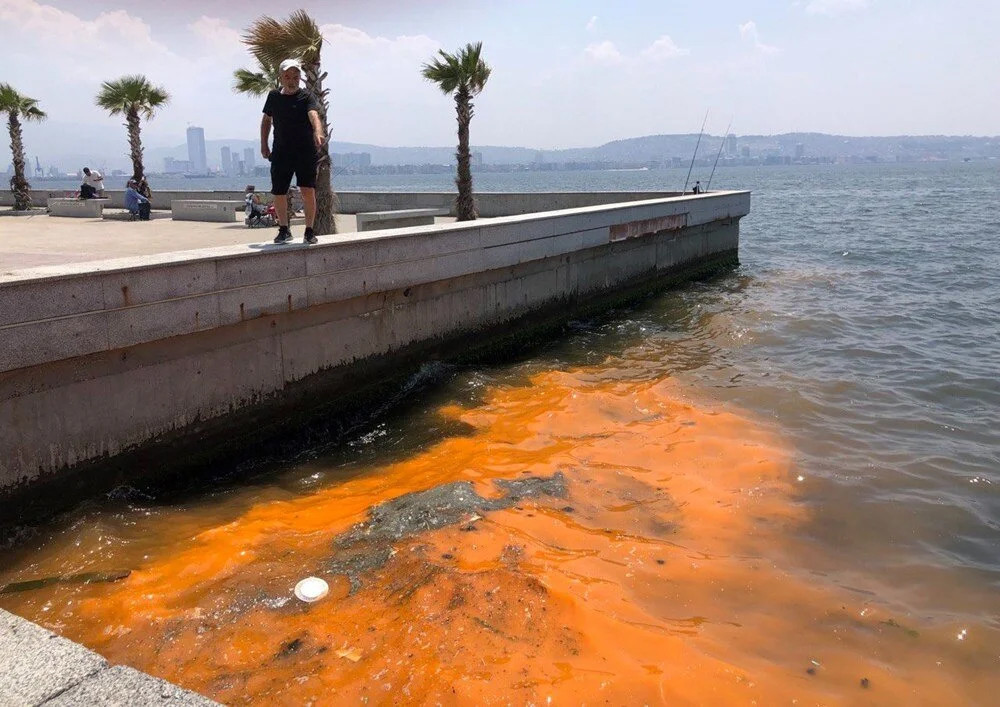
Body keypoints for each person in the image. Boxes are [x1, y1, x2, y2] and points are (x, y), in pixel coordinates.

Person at [260, 58, 325, 244]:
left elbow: (314, 114)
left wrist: (318, 132)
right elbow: (266, 121)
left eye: (296, 76)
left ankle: (309, 231)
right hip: (281, 151)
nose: (292, 80)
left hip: (305, 151)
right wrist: (263, 144)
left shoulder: (306, 96)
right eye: (288, 76)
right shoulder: (273, 96)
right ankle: (283, 230)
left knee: (307, 190)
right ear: (281, 78)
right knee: (279, 191)